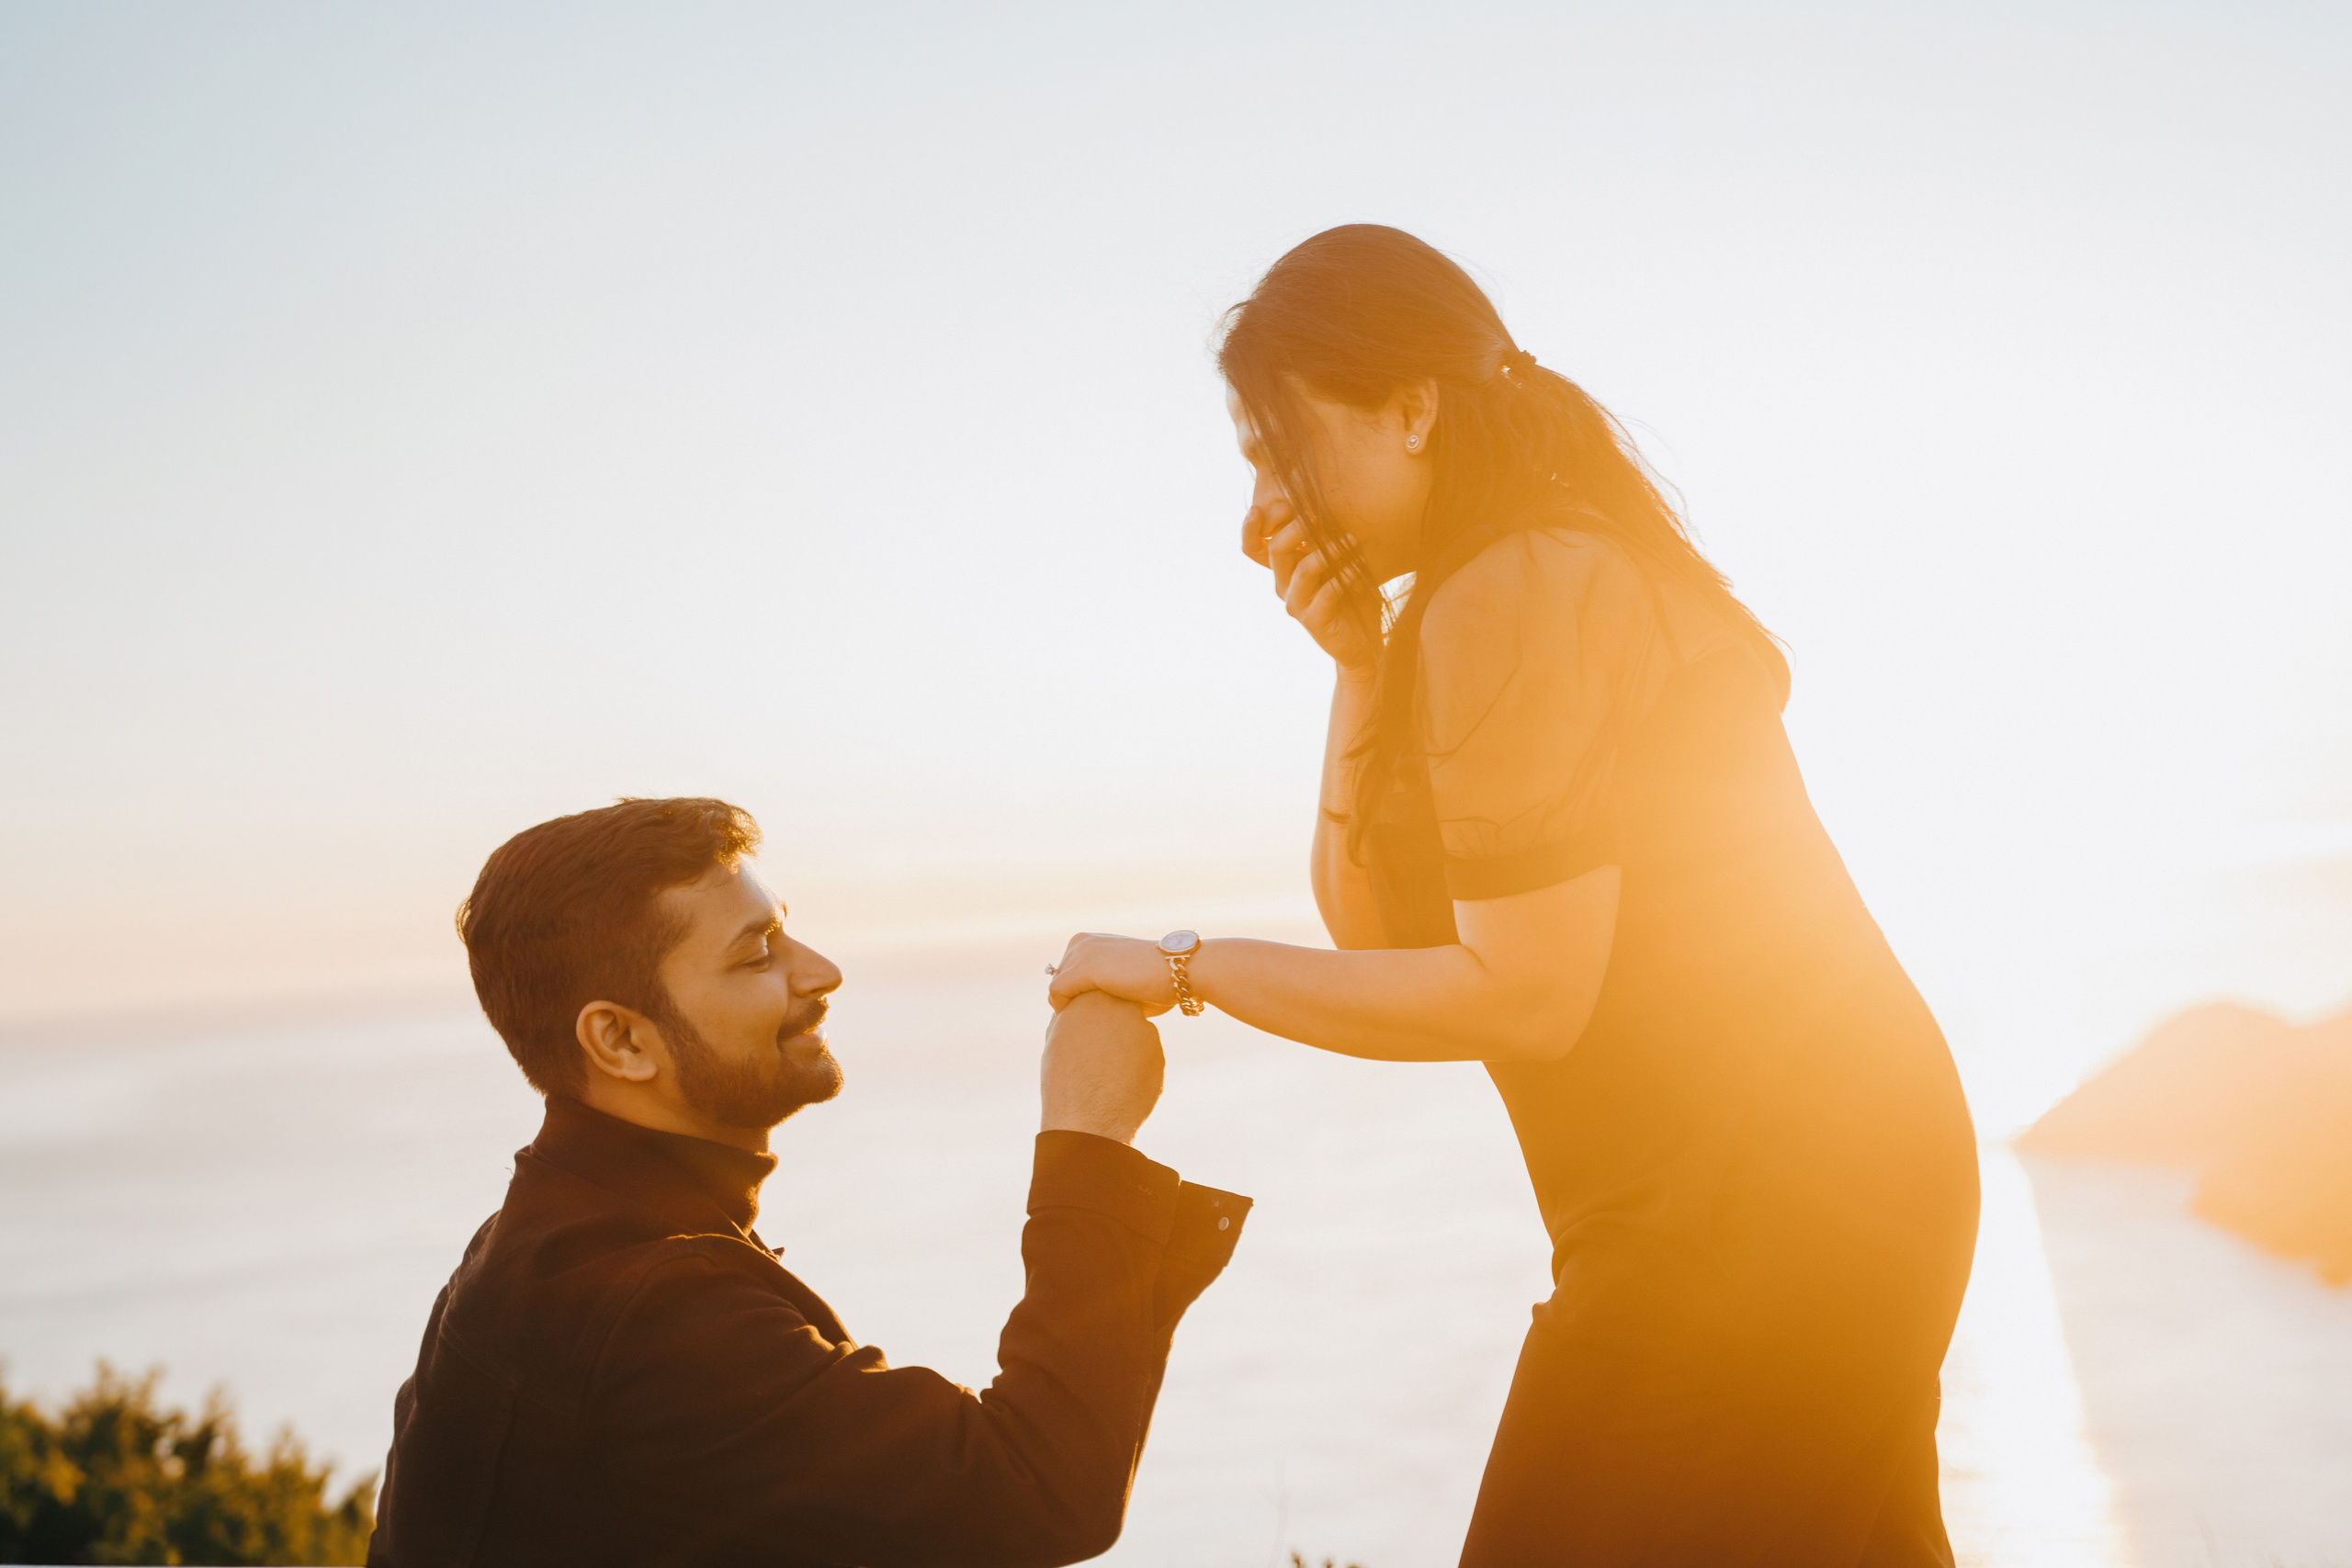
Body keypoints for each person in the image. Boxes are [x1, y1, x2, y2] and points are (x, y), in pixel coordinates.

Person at [1047, 226, 1979, 1565]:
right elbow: (1379, 937)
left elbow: (1524, 996)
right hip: (1807, 1176)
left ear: (1411, 408)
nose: (1255, 509)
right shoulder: (1494, 587)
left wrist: (1187, 965)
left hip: (1757, 1201)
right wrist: (1357, 669)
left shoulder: (1521, 582)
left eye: (1271, 448)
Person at [369, 796, 1248, 1567]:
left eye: (785, 927)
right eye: (758, 955)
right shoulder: (646, 1307)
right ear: (621, 1041)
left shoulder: (549, 1236)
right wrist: (1089, 1133)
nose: (821, 971)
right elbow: (1037, 1489)